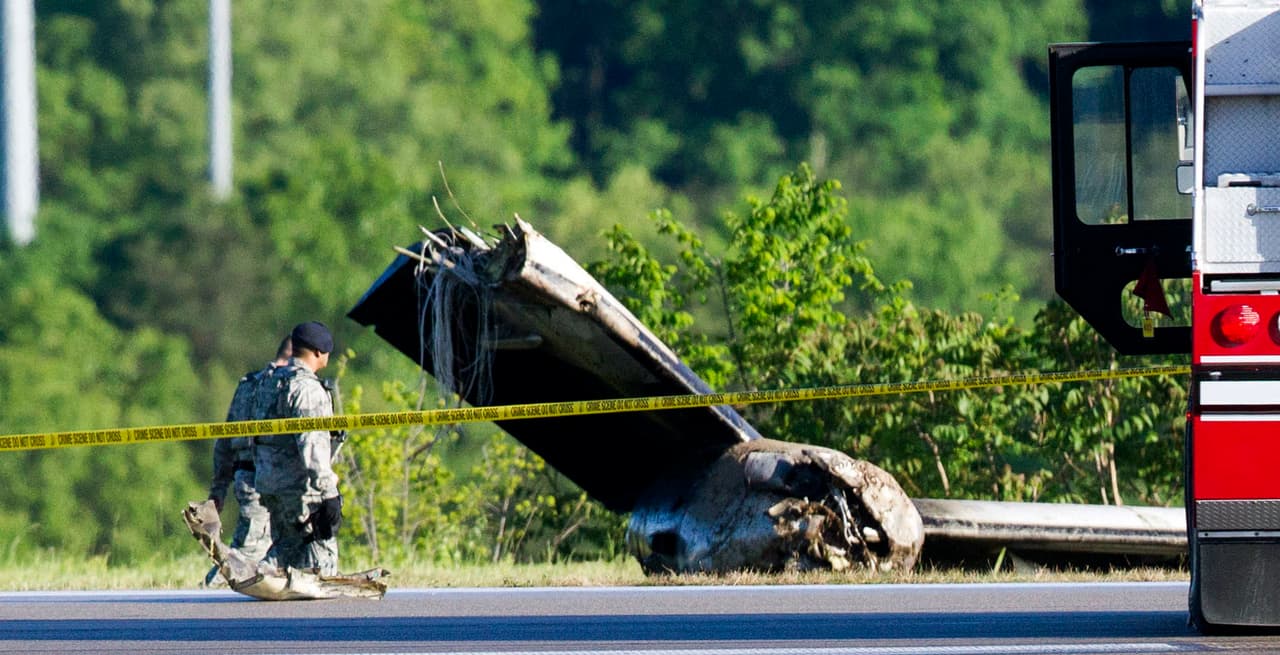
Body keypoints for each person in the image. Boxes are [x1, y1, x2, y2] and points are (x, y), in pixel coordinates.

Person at [253, 321, 343, 575]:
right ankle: (263, 573)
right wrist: (329, 494)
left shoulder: (268, 383)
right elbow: (312, 444)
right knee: (321, 560)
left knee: (287, 546)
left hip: (270, 482)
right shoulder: (307, 389)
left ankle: (264, 573)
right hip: (301, 489)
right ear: (318, 352)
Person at [204, 335, 292, 586]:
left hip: (247, 477)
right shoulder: (286, 384)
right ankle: (209, 594)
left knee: (258, 553)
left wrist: (218, 488)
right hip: (266, 481)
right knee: (247, 556)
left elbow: (225, 438)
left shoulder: (248, 383)